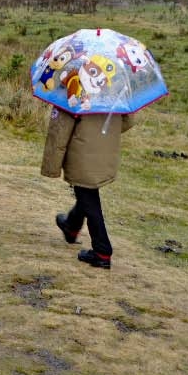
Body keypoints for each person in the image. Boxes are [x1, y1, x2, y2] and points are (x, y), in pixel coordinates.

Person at [41, 107, 135, 269]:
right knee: (86, 193)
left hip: (81, 152)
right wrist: (102, 132)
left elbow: (59, 132)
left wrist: (52, 166)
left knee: (88, 198)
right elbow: (127, 121)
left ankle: (102, 251)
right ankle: (71, 226)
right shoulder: (112, 87)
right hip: (105, 150)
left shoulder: (73, 87)